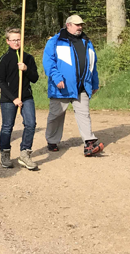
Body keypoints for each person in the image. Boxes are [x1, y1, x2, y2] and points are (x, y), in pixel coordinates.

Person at [43, 15, 104, 157]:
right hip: (61, 86)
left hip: (82, 86)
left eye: (81, 24)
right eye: (77, 25)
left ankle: (89, 143)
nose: (80, 27)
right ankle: (52, 141)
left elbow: (92, 65)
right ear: (68, 25)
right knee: (56, 115)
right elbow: (48, 62)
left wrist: (94, 83)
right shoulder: (55, 41)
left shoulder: (87, 41)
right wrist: (57, 78)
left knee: (84, 114)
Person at [0, 28, 39, 170]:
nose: (16, 42)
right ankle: (5, 153)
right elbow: (0, 81)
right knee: (7, 127)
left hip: (26, 96)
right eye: (13, 39)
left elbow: (35, 78)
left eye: (19, 39)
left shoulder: (28, 58)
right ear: (8, 41)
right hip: (9, 98)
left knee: (31, 123)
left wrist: (26, 69)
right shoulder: (4, 59)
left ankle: (25, 153)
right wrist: (13, 98)